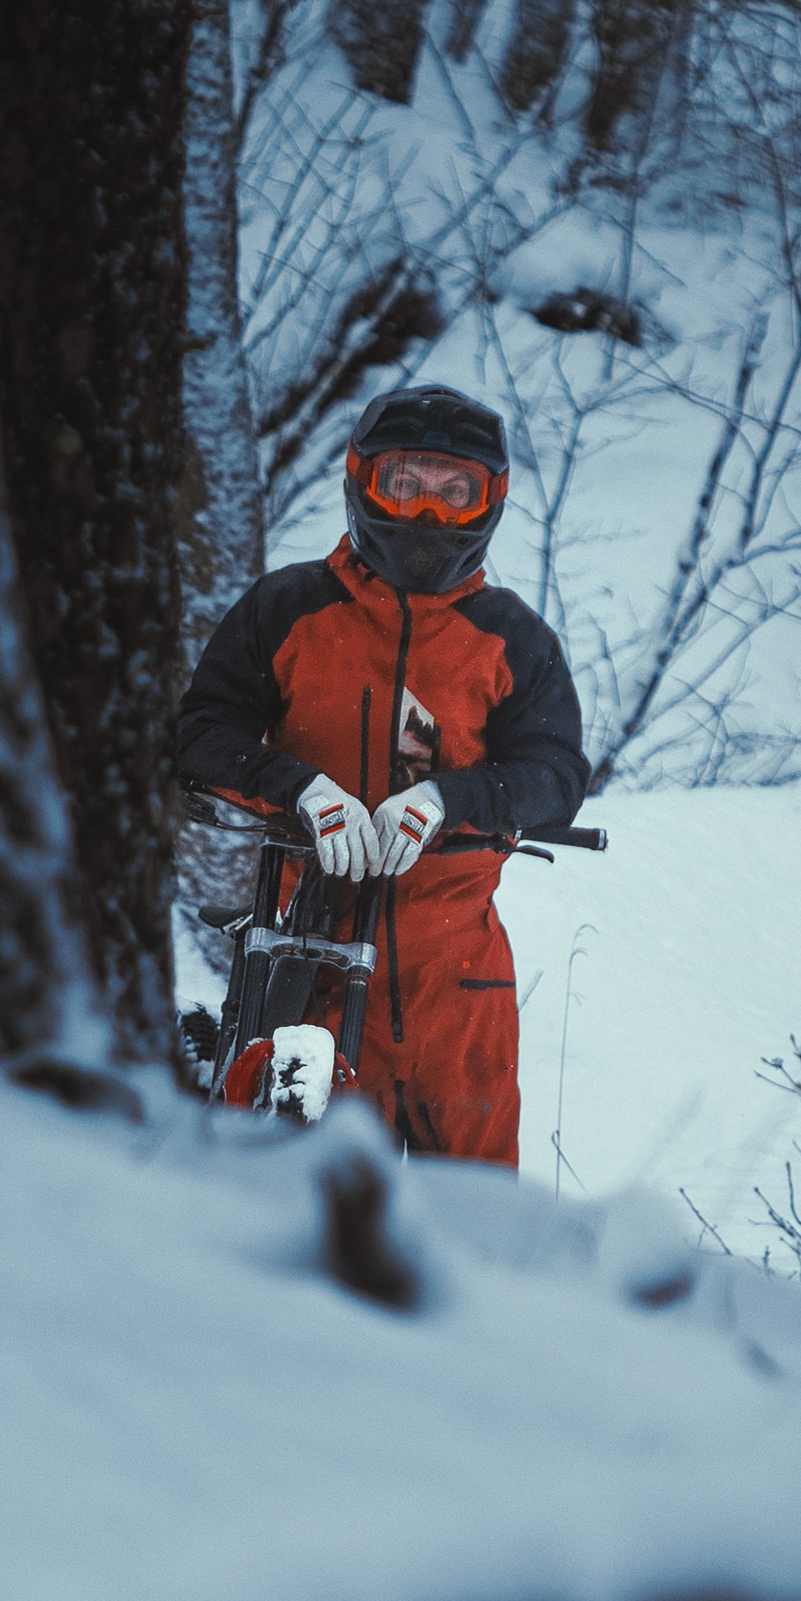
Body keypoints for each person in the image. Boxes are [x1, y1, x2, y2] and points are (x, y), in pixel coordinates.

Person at [177, 384, 588, 1165]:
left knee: (474, 1222)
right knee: (280, 1191)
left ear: (488, 500)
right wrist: (298, 789)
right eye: (404, 484)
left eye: (454, 492)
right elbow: (203, 731)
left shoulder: (509, 637)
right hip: (304, 956)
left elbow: (557, 772)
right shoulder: (288, 608)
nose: (427, 515)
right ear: (361, 479)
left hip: (456, 981)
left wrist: (447, 800)